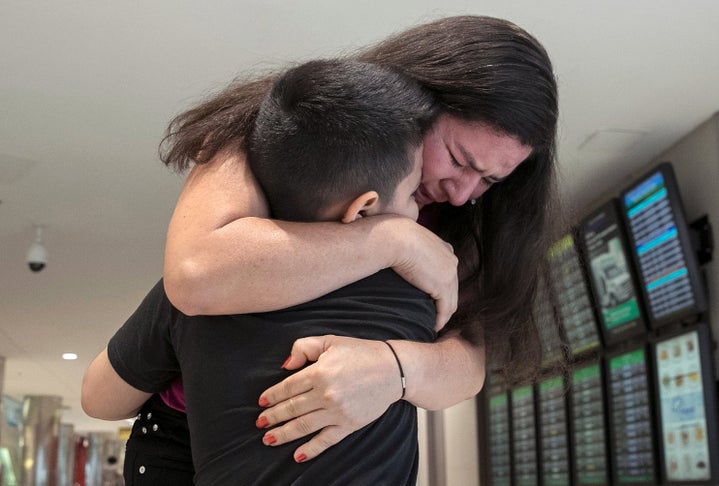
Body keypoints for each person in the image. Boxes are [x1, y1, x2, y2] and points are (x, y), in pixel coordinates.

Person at [158, 14, 559, 463]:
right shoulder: (283, 128)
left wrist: (395, 369)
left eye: (489, 179)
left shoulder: (467, 222)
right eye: (458, 159)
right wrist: (392, 241)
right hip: (185, 438)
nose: (463, 193)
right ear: (416, 98)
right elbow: (196, 275)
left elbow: (467, 364)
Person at [84, 59, 441, 484]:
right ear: (362, 207)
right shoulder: (415, 287)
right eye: (414, 190)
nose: (421, 206)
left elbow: (99, 399)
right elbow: (465, 370)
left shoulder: (201, 294)